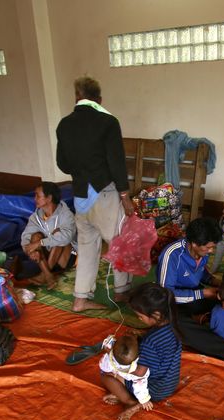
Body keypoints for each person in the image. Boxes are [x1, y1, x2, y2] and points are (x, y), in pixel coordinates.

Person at [56, 76, 134, 312]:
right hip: (105, 193)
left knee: (87, 245)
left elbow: (63, 164)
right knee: (121, 242)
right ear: (99, 99)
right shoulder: (108, 122)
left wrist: (82, 173)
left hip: (80, 193)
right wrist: (125, 196)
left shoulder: (64, 124)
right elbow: (116, 162)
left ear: (77, 97)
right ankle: (122, 292)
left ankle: (80, 299)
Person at [158, 217, 224, 366]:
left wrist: (221, 284)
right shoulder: (172, 255)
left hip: (194, 294)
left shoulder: (202, 253)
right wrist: (203, 293)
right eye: (208, 247)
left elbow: (203, 275)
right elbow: (166, 294)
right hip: (171, 301)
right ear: (194, 244)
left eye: (213, 247)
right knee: (177, 325)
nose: (211, 251)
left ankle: (204, 318)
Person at [100, 283, 182, 420]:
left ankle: (130, 402)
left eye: (140, 316)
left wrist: (112, 356)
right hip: (170, 381)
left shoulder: (149, 343)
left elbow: (139, 373)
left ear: (156, 315)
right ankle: (127, 395)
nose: (139, 319)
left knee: (106, 374)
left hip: (155, 389)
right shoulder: (172, 325)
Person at [20, 182, 77, 289]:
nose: (35, 199)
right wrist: (31, 251)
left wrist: (39, 243)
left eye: (38, 196)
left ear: (49, 198)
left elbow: (66, 237)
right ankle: (48, 275)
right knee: (35, 236)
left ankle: (44, 275)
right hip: (47, 258)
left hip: (69, 256)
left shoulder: (66, 215)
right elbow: (25, 237)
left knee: (58, 233)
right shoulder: (35, 217)